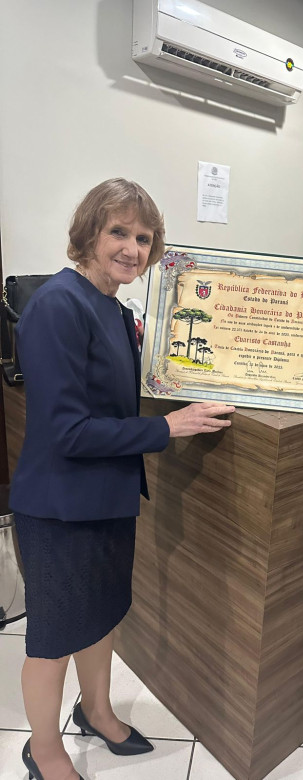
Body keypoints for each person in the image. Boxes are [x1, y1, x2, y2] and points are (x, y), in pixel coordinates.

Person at [9, 178, 235, 780]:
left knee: (101, 616)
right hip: (59, 507)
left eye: (144, 237)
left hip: (107, 497)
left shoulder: (112, 306)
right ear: (89, 233)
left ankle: (97, 712)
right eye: (119, 232)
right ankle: (43, 750)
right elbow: (68, 432)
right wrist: (167, 428)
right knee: (54, 639)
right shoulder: (58, 305)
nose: (133, 248)